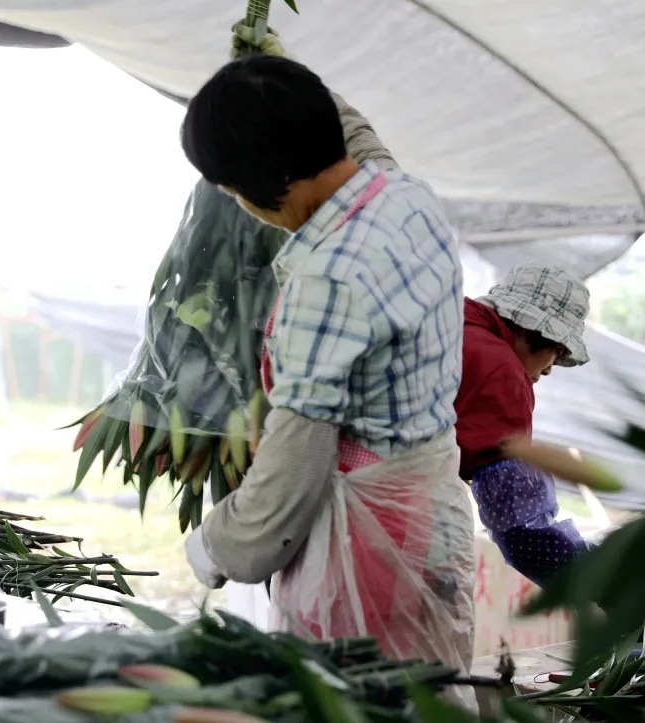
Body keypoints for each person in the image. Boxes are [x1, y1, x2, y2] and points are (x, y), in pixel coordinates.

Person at [179, 40, 477, 712]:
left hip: (369, 540)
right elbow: (361, 144)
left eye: (235, 192)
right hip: (429, 504)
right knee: (431, 696)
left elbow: (297, 462)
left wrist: (220, 544)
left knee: (358, 705)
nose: (241, 206)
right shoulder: (405, 198)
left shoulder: (327, 280)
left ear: (277, 180)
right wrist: (275, 75)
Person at [455, 265, 594, 587]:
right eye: (556, 352)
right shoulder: (501, 374)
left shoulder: (452, 325)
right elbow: (522, 530)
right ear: (533, 331)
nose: (547, 371)